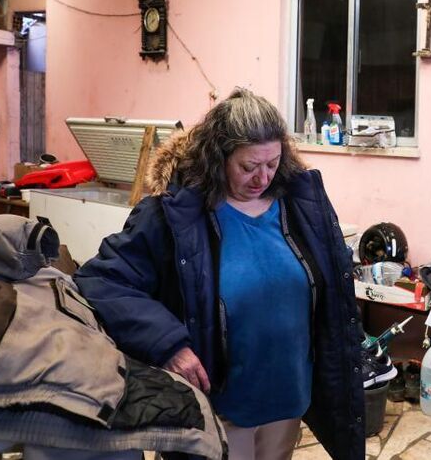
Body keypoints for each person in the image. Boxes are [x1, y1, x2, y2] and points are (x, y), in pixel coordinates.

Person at [75, 88, 364, 460]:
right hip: (220, 407)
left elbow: (332, 286)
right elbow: (102, 280)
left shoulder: (301, 204)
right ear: (219, 156)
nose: (262, 177)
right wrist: (169, 345)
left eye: (272, 163)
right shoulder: (176, 215)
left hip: (289, 395)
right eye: (248, 167)